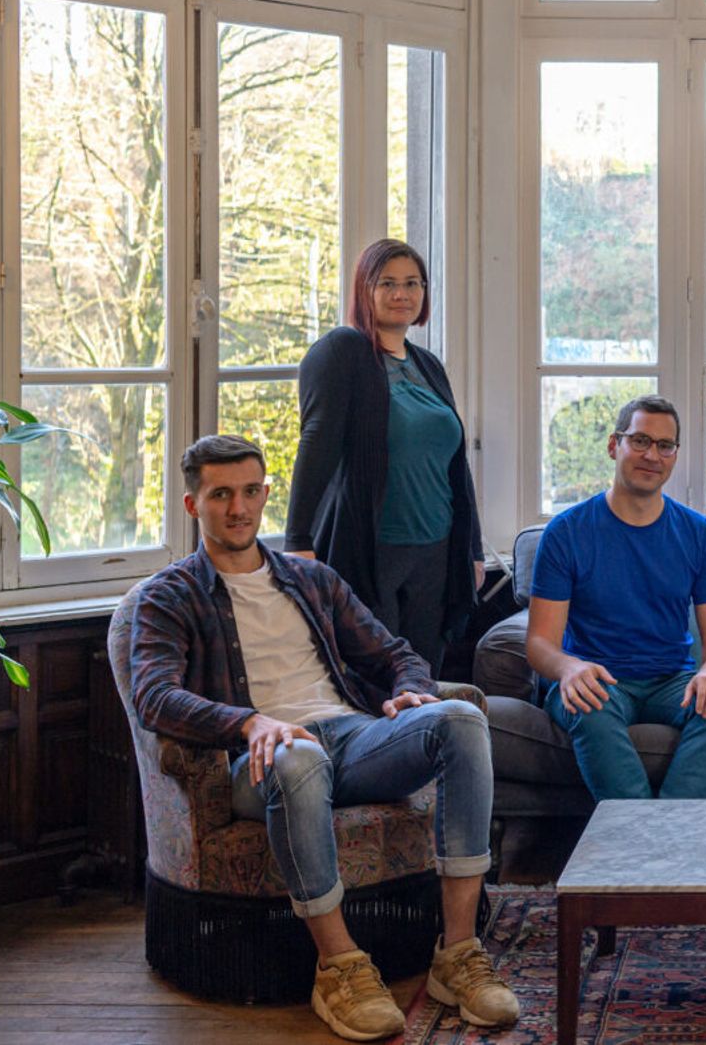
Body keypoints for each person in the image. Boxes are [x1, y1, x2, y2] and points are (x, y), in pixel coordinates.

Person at [129, 435, 517, 1041]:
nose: (239, 508)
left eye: (250, 491)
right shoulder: (169, 595)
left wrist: (410, 691)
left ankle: (458, 955)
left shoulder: (311, 579)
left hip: (353, 738)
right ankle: (340, 968)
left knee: (460, 720)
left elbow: (396, 654)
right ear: (192, 504)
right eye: (221, 495)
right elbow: (154, 696)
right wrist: (249, 722)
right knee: (298, 756)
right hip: (262, 761)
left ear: (266, 494)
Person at [524, 394, 706, 800]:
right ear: (614, 445)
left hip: (672, 680)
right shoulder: (566, 532)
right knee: (589, 705)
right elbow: (540, 642)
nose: (652, 455)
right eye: (640, 441)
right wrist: (569, 668)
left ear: (675, 455)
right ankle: (644, 832)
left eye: (665, 446)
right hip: (596, 679)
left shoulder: (698, 534)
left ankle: (664, 830)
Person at [286, 238, 483, 675]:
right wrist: (297, 541)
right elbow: (315, 445)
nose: (401, 294)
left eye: (412, 283)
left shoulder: (428, 364)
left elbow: (456, 465)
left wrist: (471, 548)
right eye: (387, 283)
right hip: (370, 551)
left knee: (423, 677)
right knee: (375, 678)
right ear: (364, 289)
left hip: (436, 551)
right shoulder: (341, 351)